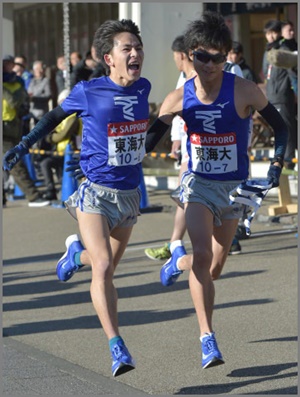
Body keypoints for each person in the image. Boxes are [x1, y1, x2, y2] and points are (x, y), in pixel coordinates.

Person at [3, 19, 150, 377]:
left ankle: (74, 254)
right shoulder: (88, 90)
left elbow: (140, 135)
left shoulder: (143, 88)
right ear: (108, 57)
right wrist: (23, 144)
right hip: (95, 193)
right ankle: (117, 347)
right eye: (126, 48)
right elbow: (53, 118)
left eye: (138, 47)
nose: (135, 53)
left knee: (107, 266)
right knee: (101, 267)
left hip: (129, 194)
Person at [144, 11, 287, 369]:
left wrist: (276, 164)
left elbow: (282, 129)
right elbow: (147, 143)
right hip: (199, 186)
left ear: (227, 57)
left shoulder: (244, 90)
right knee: (204, 256)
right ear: (191, 55)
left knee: (216, 267)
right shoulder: (177, 99)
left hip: (234, 188)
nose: (209, 65)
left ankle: (180, 262)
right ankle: (207, 338)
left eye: (218, 58)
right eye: (203, 57)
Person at [145, 35, 196, 261]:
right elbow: (171, 116)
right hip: (190, 149)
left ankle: (176, 245)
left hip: (209, 151)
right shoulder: (182, 80)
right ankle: (175, 244)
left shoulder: (212, 79)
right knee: (184, 196)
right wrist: (176, 138)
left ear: (181, 55)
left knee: (188, 197)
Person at [2, 55, 50, 207]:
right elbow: (13, 100)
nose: (10, 67)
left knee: (9, 163)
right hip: (4, 127)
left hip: (14, 125)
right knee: (14, 162)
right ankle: (33, 196)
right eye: (6, 64)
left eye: (11, 64)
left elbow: (23, 99)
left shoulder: (17, 81)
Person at [263, 20, 297, 170]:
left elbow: (293, 75)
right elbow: (265, 73)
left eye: (273, 33)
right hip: (271, 96)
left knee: (287, 129)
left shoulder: (284, 50)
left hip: (283, 96)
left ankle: (289, 163)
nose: (271, 36)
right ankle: (279, 161)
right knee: (277, 129)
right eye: (268, 33)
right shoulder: (267, 51)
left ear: (278, 33)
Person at [40, 89, 81, 201]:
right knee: (45, 163)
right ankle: (51, 190)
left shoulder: (73, 117)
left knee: (64, 173)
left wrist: (49, 138)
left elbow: (62, 135)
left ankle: (69, 195)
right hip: (61, 151)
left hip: (72, 152)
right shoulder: (63, 118)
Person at [27, 60, 52, 125]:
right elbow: (29, 91)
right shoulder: (32, 81)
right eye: (38, 69)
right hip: (32, 111)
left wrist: (34, 98)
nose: (40, 71)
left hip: (41, 112)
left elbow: (48, 95)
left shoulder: (46, 81)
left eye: (42, 69)